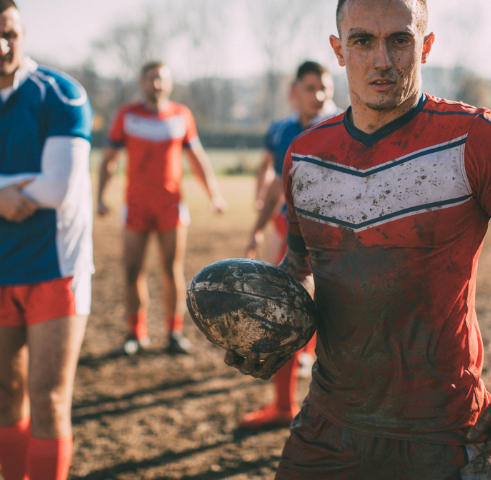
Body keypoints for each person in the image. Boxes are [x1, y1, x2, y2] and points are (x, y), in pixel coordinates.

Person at [225, 0, 491, 478]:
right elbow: (298, 270)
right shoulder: (305, 155)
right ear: (339, 50)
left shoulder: (477, 139)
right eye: (363, 41)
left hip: (445, 431)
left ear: (425, 46)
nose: (382, 60)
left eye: (400, 40)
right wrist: (261, 333)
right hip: (329, 426)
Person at [0, 2, 94, 479]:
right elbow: (17, 196)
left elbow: (55, 187)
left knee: (48, 396)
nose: (2, 47)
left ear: (22, 31)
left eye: (9, 33)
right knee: (2, 395)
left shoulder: (62, 95)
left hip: (56, 269)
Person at [97, 62, 228, 355]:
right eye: (151, 78)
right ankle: (136, 334)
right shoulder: (127, 115)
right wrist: (100, 196)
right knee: (132, 271)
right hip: (136, 206)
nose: (156, 84)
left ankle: (174, 333)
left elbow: (197, 159)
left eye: (161, 79)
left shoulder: (181, 115)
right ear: (142, 82)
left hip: (171, 206)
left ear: (169, 84)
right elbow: (108, 158)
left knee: (171, 270)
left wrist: (214, 195)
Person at [240, 61, 338, 429]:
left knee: (330, 317)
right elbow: (275, 184)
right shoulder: (282, 131)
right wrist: (257, 228)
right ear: (294, 92)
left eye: (324, 87)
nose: (319, 95)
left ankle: (315, 379)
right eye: (311, 87)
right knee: (282, 312)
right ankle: (283, 405)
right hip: (290, 230)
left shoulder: (344, 126)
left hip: (333, 239)